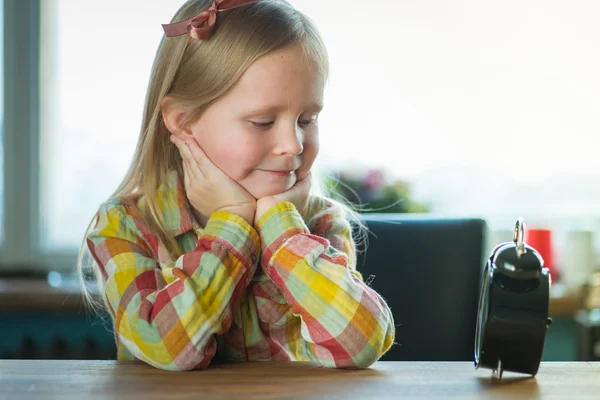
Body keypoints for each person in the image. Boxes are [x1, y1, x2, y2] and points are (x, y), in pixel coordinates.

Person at [78, 0, 395, 371]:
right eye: (262, 122)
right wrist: (233, 225)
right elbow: (164, 349)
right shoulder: (125, 225)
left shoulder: (319, 222)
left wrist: (281, 230)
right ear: (183, 121)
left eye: (307, 119)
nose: (293, 144)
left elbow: (361, 344)